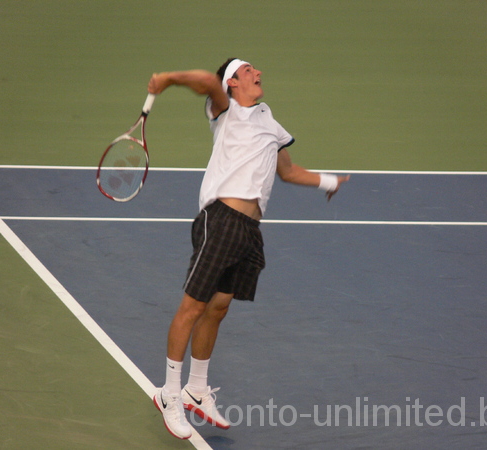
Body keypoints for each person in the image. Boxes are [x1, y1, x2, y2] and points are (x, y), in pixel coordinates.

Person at [148, 58, 350, 439]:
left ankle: (196, 388)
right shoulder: (225, 111)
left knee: (218, 308)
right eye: (249, 70)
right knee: (192, 307)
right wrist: (169, 78)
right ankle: (169, 394)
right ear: (233, 83)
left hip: (249, 229)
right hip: (221, 220)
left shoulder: (269, 123)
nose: (259, 73)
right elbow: (207, 80)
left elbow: (287, 171)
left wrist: (327, 181)